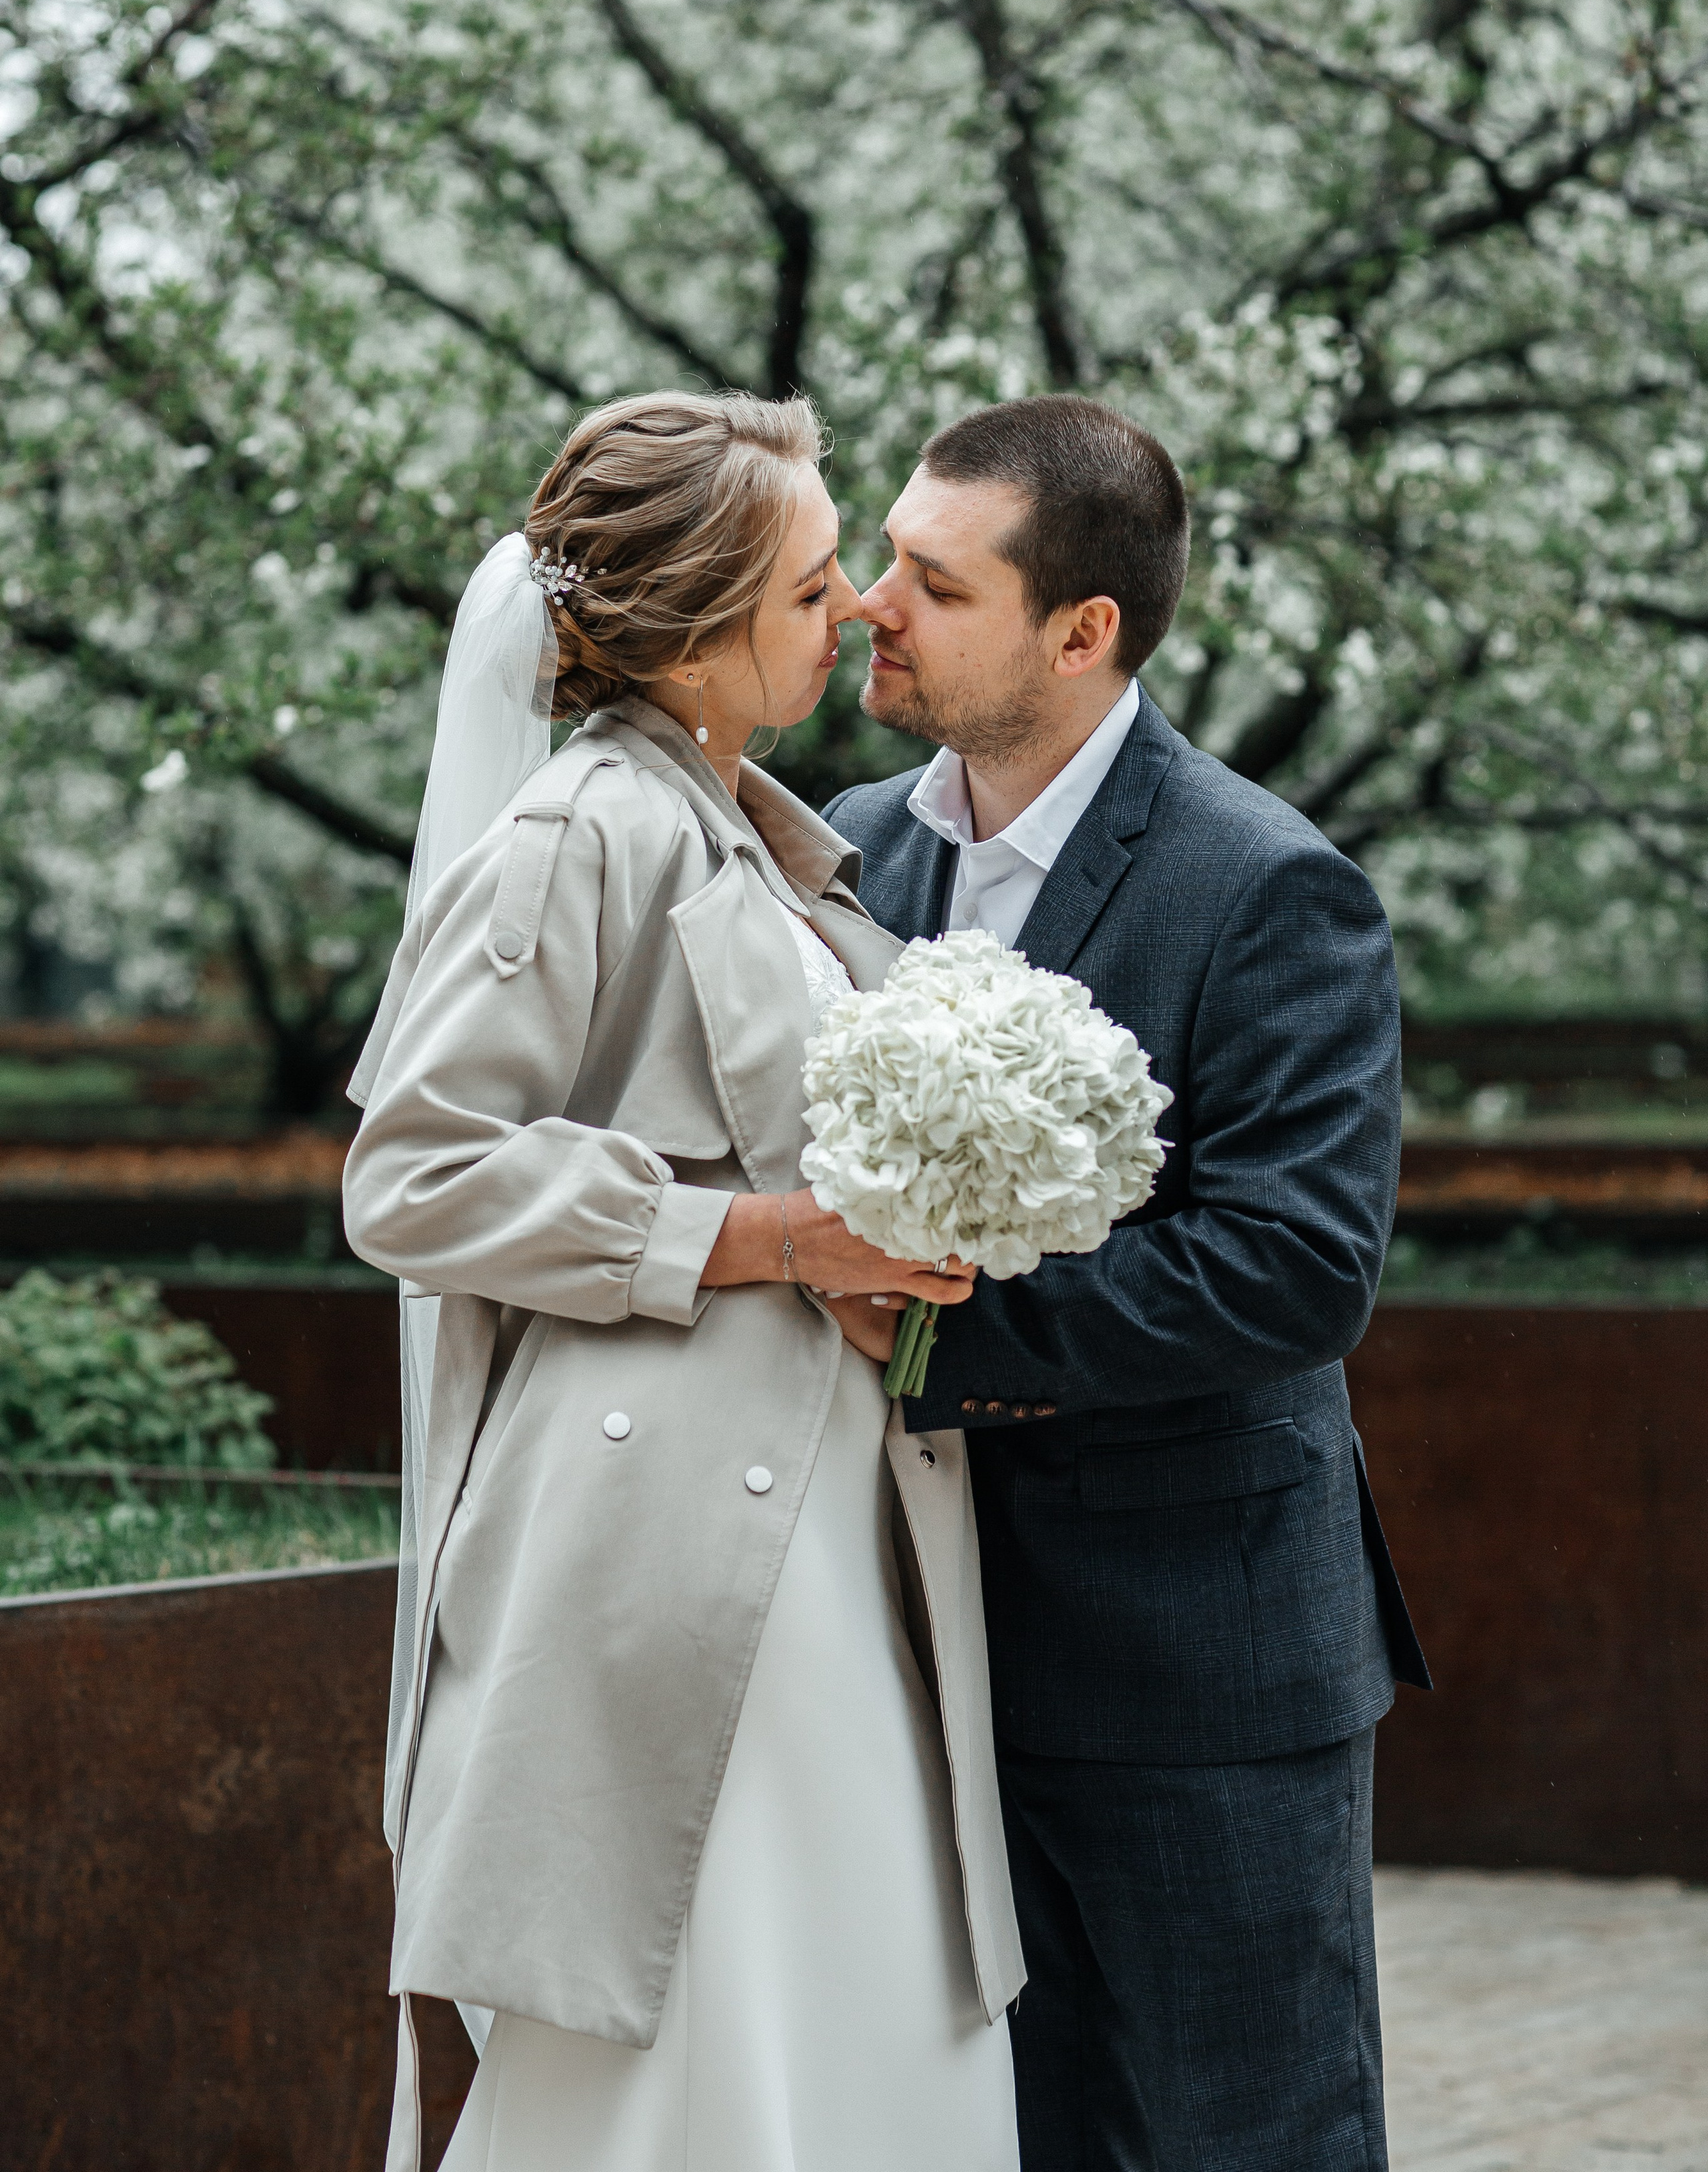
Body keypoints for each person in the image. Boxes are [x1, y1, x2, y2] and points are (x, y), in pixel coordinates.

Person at [342, 391, 1023, 2172]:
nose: (858, 611)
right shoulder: (586, 832)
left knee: (842, 1981)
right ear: (707, 628)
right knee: (718, 2005)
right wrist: (765, 1240)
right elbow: (409, 1175)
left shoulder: (743, 831)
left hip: (820, 1523)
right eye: (815, 587)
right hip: (676, 1538)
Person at [825, 394, 1430, 2172]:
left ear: (1081, 632)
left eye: (932, 582)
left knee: (1248, 2137)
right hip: (921, 1652)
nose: (873, 604)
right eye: (881, 560)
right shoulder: (856, 841)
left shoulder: (1268, 886)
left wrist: (944, 1337)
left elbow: (1298, 1266)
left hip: (1199, 1664)